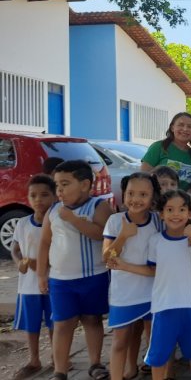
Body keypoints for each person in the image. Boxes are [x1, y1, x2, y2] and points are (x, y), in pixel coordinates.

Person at [36, 160, 114, 380]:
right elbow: (44, 243)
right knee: (62, 323)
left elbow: (102, 235)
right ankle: (60, 370)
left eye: (65, 184)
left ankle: (96, 363)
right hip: (61, 280)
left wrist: (73, 220)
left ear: (84, 184)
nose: (59, 190)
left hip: (93, 277)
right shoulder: (53, 210)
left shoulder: (99, 206)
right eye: (57, 185)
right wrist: (42, 273)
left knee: (92, 320)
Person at [145, 190, 191, 380]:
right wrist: (124, 266)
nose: (176, 214)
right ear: (162, 214)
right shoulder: (155, 240)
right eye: (170, 209)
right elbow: (152, 270)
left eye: (182, 209)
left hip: (190, 304)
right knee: (158, 354)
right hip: (163, 305)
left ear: (190, 214)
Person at [102, 173, 162, 380]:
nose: (136, 199)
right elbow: (107, 258)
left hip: (153, 292)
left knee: (153, 340)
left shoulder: (158, 220)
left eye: (143, 194)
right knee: (120, 342)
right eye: (131, 193)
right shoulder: (115, 221)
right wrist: (123, 236)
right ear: (123, 194)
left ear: (153, 197)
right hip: (124, 294)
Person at [11, 175, 56, 380]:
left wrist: (40, 265)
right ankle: (34, 359)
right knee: (32, 324)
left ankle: (58, 357)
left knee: (55, 322)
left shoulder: (57, 223)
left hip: (53, 281)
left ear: (55, 196)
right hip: (28, 285)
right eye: (33, 195)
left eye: (45, 195)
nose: (39, 200)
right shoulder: (22, 223)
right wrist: (19, 260)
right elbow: (15, 247)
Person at [141, 112, 191, 191]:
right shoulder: (159, 147)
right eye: (181, 125)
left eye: (190, 126)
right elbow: (143, 176)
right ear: (172, 128)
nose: (185, 129)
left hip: (179, 201)